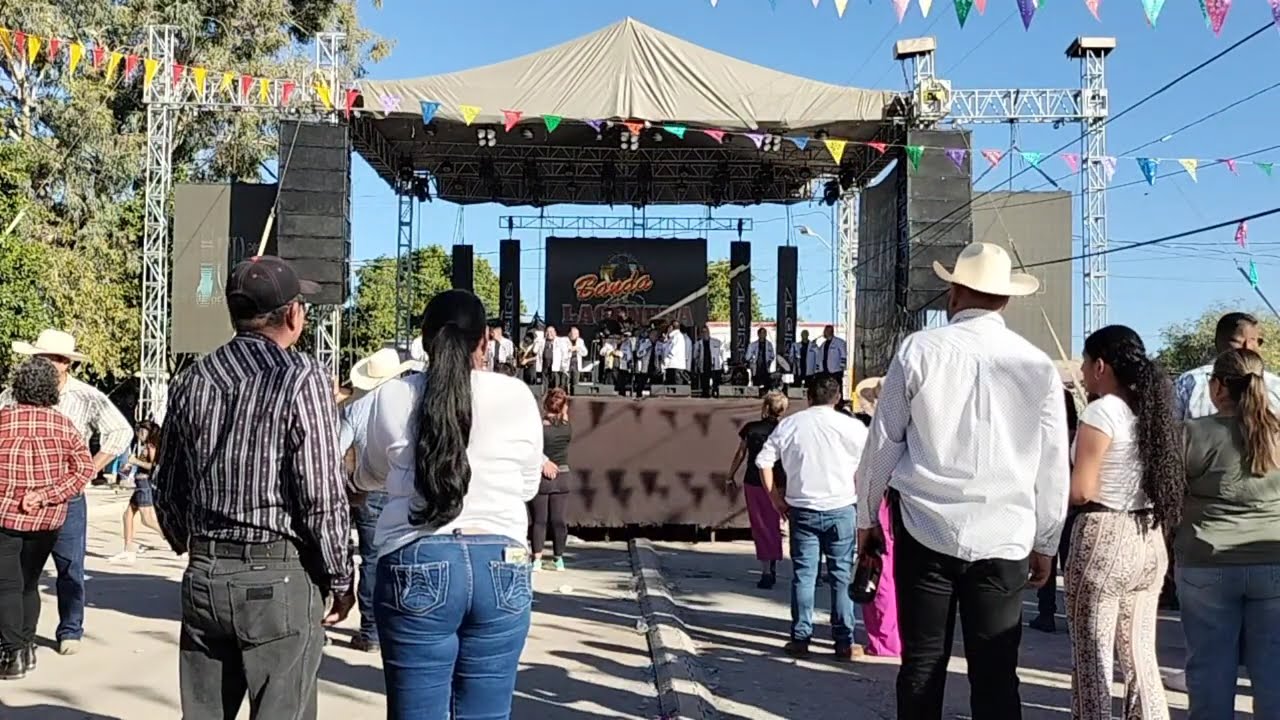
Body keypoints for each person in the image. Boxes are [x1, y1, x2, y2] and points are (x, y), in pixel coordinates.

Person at [855, 242, 1069, 720]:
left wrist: (867, 517)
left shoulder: (919, 350)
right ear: (1006, 300)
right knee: (996, 675)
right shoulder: (1038, 365)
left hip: (925, 530)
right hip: (1005, 536)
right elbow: (1053, 465)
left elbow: (883, 443)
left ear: (954, 292)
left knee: (922, 666)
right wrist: (1047, 542)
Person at [152, 256, 354, 720]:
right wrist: (341, 578)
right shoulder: (301, 377)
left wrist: (190, 544)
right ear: (292, 314)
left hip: (206, 572)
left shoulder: (192, 379)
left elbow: (168, 484)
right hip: (277, 573)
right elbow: (321, 494)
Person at [363, 289, 543, 719]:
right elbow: (527, 485)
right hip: (502, 562)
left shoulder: (393, 395)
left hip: (415, 557)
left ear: (424, 341)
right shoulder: (516, 394)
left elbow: (369, 473)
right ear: (485, 341)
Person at [1067, 325, 1179, 720]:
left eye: (1084, 363)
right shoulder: (1151, 411)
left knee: (1092, 656)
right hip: (1148, 537)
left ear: (1101, 365)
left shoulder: (1100, 411)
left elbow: (1082, 490)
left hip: (1103, 534)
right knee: (1140, 656)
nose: (1082, 373)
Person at [1, 328, 131, 656]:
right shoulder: (10, 397)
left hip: (67, 493)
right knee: (19, 575)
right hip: (16, 499)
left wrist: (93, 465)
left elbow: (120, 430)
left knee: (69, 566)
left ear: (65, 364)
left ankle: (69, 628)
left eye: (51, 359)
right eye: (39, 358)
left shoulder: (86, 396)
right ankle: (18, 639)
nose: (44, 363)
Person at [1177, 348, 1280, 719]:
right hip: (1273, 563)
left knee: (1209, 671)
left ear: (1218, 387)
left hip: (1207, 562)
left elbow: (1170, 495)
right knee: (1274, 673)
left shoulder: (1192, 434)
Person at [756, 376, 869, 659]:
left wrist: (775, 499)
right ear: (838, 398)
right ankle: (844, 641)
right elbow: (870, 465)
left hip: (802, 509)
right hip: (842, 508)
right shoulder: (853, 426)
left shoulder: (791, 424)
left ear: (807, 397)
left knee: (804, 576)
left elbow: (764, 461)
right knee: (841, 576)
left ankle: (801, 637)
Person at [0, 357, 95, 679]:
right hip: (48, 519)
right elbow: (84, 469)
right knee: (28, 583)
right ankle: (25, 647)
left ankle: (14, 653)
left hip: (5, 515)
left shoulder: (3, 420)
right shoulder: (63, 424)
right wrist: (46, 495)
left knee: (7, 585)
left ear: (18, 386)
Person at [343, 347, 417, 654]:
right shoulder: (412, 399)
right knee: (407, 553)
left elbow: (336, 447)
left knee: (372, 559)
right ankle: (403, 625)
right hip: (407, 486)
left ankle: (371, 631)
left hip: (369, 488)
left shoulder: (355, 406)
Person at [1029, 387, 1081, 633]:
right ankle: (1073, 614)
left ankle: (1046, 613)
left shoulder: (1044, 437)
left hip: (1048, 509)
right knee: (1071, 566)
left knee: (1045, 559)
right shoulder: (1080, 436)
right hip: (1074, 510)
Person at [727, 391, 788, 589]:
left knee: (760, 524)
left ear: (765, 407)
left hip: (754, 480)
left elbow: (740, 453)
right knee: (774, 522)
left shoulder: (751, 429)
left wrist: (730, 475)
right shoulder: (785, 429)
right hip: (779, 481)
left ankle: (766, 569)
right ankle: (773, 561)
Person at [107, 421, 165, 565]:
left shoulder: (151, 446)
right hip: (139, 481)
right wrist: (129, 465)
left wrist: (135, 461)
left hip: (144, 484)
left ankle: (174, 539)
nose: (140, 434)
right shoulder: (145, 446)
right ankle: (128, 549)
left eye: (143, 431)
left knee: (147, 519)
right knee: (128, 514)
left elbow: (153, 466)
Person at [531, 388, 573, 571]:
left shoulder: (538, 427)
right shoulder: (566, 427)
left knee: (539, 521)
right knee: (558, 520)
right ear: (564, 407)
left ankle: (537, 559)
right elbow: (562, 417)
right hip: (563, 476)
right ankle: (559, 558)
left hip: (542, 477)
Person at [692, 325, 725, 398]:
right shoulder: (698, 344)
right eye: (703, 332)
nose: (704, 333)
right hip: (704, 365)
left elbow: (722, 354)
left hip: (715, 365)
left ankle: (715, 392)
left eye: (706, 331)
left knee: (716, 382)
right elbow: (695, 356)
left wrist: (723, 364)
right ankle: (705, 394)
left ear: (709, 332)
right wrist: (697, 365)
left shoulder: (717, 342)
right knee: (704, 382)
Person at [812, 325, 847, 390]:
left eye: (825, 331)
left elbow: (843, 355)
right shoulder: (823, 344)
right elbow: (819, 354)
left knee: (837, 388)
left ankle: (839, 399)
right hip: (825, 370)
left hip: (835, 371)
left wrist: (842, 366)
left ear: (830, 331)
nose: (824, 332)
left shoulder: (839, 342)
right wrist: (814, 345)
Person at [746, 328, 776, 394]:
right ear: (758, 334)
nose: (763, 334)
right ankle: (756, 394)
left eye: (764, 333)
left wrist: (769, 361)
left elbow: (772, 355)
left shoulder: (769, 344)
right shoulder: (752, 345)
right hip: (756, 366)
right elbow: (747, 357)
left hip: (765, 366)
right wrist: (752, 361)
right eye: (761, 333)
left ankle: (765, 393)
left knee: (767, 381)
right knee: (756, 380)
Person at [662, 321, 689, 386]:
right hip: (670, 366)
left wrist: (667, 358)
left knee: (676, 386)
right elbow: (665, 348)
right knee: (669, 386)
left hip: (676, 366)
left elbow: (673, 350)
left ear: (671, 327)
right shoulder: (671, 337)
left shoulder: (678, 336)